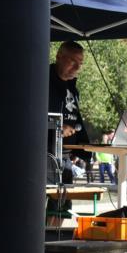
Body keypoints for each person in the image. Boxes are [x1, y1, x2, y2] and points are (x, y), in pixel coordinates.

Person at [48, 41, 91, 175]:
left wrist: (78, 148)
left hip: (66, 158)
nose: (78, 67)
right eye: (73, 61)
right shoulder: (41, 81)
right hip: (44, 158)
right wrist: (57, 127)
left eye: (81, 63)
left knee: (66, 196)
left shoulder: (73, 89)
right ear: (59, 56)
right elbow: (28, 117)